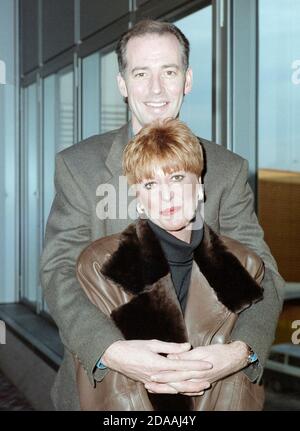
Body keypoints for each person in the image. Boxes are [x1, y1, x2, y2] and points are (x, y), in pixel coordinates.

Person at [40, 20, 284, 410]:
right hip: (109, 390)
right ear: (122, 84)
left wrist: (242, 351)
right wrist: (109, 349)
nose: (156, 89)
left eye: (168, 72)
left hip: (207, 388)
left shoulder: (226, 169)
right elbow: (58, 271)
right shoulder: (79, 167)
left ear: (187, 79)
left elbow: (264, 275)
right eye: (141, 73)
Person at [74, 118, 266, 410]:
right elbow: (105, 380)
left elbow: (245, 375)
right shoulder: (99, 264)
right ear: (138, 198)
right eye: (150, 183)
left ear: (199, 186)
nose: (166, 194)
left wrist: (241, 354)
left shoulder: (244, 263)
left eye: (177, 178)